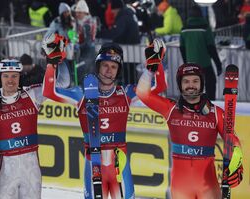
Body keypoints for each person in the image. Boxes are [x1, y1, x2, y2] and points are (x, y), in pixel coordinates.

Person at [41, 32, 166, 199]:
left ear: (118, 70)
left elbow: (159, 87)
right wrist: (52, 62)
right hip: (93, 163)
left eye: (114, 67)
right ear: (98, 66)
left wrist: (155, 65)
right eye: (105, 65)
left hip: (119, 164)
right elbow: (49, 92)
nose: (109, 71)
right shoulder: (82, 94)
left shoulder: (126, 93)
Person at [136, 39, 244, 199]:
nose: (191, 85)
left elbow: (233, 141)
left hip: (208, 186)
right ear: (180, 85)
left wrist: (236, 164)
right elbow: (142, 93)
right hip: (181, 187)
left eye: (195, 81)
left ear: (202, 84)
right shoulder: (170, 108)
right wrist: (151, 69)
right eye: (186, 81)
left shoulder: (215, 112)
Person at [0, 59, 54, 198]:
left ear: (20, 77)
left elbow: (59, 84)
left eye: (14, 76)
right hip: (6, 172)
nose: (10, 80)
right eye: (6, 76)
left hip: (31, 172)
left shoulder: (32, 95)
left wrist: (53, 61)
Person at [180, 4, 222, 100]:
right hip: (205, 64)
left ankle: (193, 108)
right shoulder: (205, 28)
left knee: (193, 87)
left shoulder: (184, 29)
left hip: (191, 65)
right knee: (210, 84)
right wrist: (218, 64)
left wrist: (186, 63)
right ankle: (210, 105)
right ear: (201, 15)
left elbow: (182, 48)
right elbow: (211, 48)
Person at [74, 0, 97, 85]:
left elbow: (88, 41)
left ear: (85, 13)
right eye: (77, 12)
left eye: (80, 13)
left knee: (86, 74)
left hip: (88, 53)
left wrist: (78, 46)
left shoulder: (87, 23)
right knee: (85, 75)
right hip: (86, 52)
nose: (77, 14)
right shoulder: (81, 22)